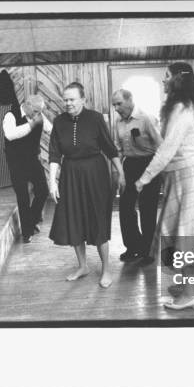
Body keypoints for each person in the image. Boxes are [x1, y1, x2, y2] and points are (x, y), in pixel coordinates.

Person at [135, 62, 194, 310]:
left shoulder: (183, 109)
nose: (163, 81)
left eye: (166, 77)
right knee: (179, 233)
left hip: (190, 178)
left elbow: (167, 148)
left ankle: (191, 293)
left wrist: (144, 178)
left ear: (177, 80)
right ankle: (187, 285)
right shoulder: (182, 107)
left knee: (186, 236)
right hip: (185, 178)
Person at [48, 82, 125, 288]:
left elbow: (109, 148)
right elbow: (54, 153)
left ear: (83, 99)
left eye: (72, 99)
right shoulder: (58, 121)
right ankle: (83, 266)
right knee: (74, 219)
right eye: (65, 99)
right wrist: (52, 182)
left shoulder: (96, 118)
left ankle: (106, 269)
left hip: (95, 174)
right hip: (70, 175)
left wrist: (121, 172)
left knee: (98, 220)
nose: (68, 103)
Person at [0, 69, 51, 243]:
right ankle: (26, 232)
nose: (37, 115)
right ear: (26, 104)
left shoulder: (37, 114)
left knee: (43, 191)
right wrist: (32, 125)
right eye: (35, 111)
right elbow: (10, 135)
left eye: (38, 112)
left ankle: (32, 220)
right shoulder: (10, 115)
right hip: (16, 162)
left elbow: (51, 130)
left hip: (33, 160)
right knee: (23, 196)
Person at [111, 89, 163, 263]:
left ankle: (148, 251)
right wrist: (120, 174)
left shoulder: (146, 118)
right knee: (125, 208)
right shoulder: (117, 121)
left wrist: (153, 172)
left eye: (119, 103)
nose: (116, 108)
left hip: (149, 164)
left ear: (130, 100)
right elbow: (117, 149)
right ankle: (133, 247)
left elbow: (161, 146)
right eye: (114, 105)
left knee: (147, 209)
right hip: (129, 165)